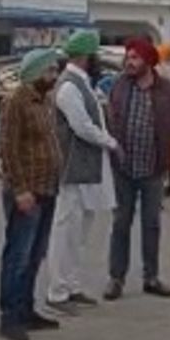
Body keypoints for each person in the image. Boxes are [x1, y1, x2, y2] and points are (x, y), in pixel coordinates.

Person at [44, 30, 118, 315]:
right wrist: (111, 143)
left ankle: (72, 286)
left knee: (81, 231)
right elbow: (82, 126)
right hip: (72, 168)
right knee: (65, 230)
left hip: (87, 168)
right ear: (85, 56)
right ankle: (57, 292)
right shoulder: (68, 87)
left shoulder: (84, 84)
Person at [0, 47, 63, 340]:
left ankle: (26, 309)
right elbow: (8, 149)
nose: (54, 75)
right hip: (27, 192)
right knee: (18, 256)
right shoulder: (16, 102)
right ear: (36, 72)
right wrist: (20, 189)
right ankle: (9, 317)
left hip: (47, 188)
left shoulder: (45, 100)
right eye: (50, 70)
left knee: (36, 255)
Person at [104, 38, 170, 301]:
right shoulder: (120, 86)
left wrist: (166, 164)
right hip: (123, 168)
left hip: (153, 168)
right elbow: (111, 119)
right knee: (121, 222)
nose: (129, 62)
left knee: (152, 224)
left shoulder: (166, 90)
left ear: (148, 61)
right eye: (128, 57)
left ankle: (151, 276)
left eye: (135, 58)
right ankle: (116, 278)